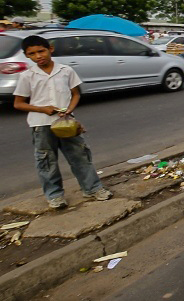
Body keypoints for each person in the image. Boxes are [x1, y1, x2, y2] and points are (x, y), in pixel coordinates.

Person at [13, 35, 112, 209]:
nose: (38, 56)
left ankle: (92, 188)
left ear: (50, 49)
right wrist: (42, 109)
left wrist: (70, 110)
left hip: (67, 123)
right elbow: (18, 103)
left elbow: (76, 94)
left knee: (80, 156)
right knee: (47, 161)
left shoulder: (66, 71)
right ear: (26, 55)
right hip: (41, 124)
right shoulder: (27, 76)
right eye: (32, 53)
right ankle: (55, 196)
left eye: (41, 51)